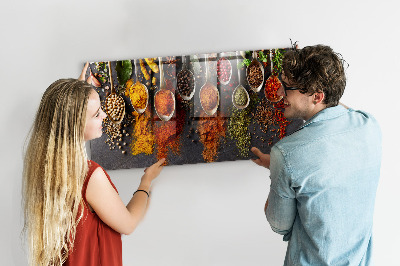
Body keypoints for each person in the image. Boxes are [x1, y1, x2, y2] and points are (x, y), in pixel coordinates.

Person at [22, 63, 165, 266]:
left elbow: (64, 118)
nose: (105, 116)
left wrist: (77, 94)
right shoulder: (90, 176)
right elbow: (129, 223)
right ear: (75, 125)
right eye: (97, 114)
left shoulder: (44, 167)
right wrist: (146, 181)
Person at [251, 45, 381, 265]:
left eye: (287, 87)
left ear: (317, 96)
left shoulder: (286, 154)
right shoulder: (369, 126)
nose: (280, 93)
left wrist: (279, 169)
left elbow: (279, 225)